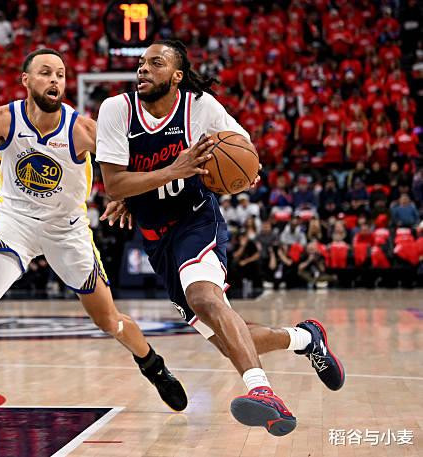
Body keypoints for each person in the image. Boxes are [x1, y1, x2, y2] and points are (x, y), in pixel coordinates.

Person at [96, 40, 345, 436]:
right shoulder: (116, 110)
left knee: (203, 297)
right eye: (141, 63)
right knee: (229, 340)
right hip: (156, 240)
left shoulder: (201, 107)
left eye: (155, 63)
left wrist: (241, 171)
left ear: (177, 76)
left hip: (196, 220)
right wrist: (160, 178)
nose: (143, 68)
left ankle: (263, 392)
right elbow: (114, 184)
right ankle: (305, 338)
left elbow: (245, 155)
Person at [0, 48, 187, 433]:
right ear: (26, 80)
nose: (54, 80)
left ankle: (153, 366)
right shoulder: (3, 118)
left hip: (66, 230)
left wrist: (125, 197)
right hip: (15, 225)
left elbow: (128, 166)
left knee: (108, 320)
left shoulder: (82, 129)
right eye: (45, 72)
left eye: (60, 74)